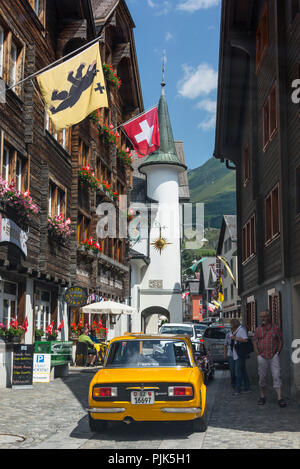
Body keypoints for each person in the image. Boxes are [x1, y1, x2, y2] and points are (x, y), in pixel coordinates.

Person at [253, 309, 286, 407]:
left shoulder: (275, 328)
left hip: (273, 356)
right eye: (261, 317)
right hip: (262, 356)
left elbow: (280, 340)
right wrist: (257, 354)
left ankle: (280, 398)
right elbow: (255, 341)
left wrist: (277, 352)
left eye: (264, 316)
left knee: (276, 375)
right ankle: (262, 396)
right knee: (262, 377)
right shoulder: (258, 329)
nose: (262, 318)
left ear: (269, 317)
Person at [230, 318, 251, 396]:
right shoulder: (236, 330)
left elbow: (245, 339)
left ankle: (237, 389)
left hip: (240, 354)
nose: (230, 326)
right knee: (243, 371)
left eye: (231, 324)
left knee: (238, 372)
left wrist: (235, 338)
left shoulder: (241, 330)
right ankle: (247, 387)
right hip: (237, 354)